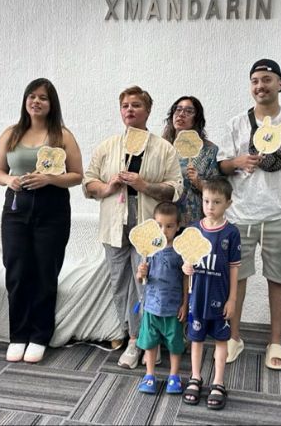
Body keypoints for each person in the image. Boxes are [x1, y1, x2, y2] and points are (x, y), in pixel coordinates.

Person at [217, 59, 281, 369]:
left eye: (267, 79)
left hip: (280, 214)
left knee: (278, 279)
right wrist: (238, 161)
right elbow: (221, 165)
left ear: (280, 84)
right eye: (255, 80)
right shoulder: (236, 124)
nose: (261, 85)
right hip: (240, 214)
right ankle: (234, 336)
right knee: (236, 278)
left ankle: (275, 341)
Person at [83, 86, 183, 369]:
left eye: (136, 105)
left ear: (148, 111)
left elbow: (176, 189)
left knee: (148, 284)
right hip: (113, 226)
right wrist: (107, 187)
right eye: (125, 105)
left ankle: (149, 340)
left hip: (149, 229)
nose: (130, 110)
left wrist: (145, 185)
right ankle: (132, 338)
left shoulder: (164, 148)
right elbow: (88, 183)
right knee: (119, 285)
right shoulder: (107, 146)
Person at [0, 78, 83, 364]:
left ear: (51, 103)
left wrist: (49, 179)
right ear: (25, 101)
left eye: (43, 97)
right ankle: (18, 335)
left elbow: (77, 175)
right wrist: (9, 180)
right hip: (16, 210)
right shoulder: (11, 133)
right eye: (32, 96)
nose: (36, 101)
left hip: (52, 211)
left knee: (45, 273)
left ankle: (40, 336)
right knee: (17, 272)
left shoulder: (62, 135)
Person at [182, 177, 240, 410]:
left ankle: (218, 382)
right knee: (196, 339)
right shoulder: (194, 230)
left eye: (216, 202)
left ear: (228, 203)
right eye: (206, 201)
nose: (210, 206)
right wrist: (185, 267)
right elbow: (187, 261)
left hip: (220, 298)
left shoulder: (231, 233)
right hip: (198, 298)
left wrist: (232, 299)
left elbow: (234, 269)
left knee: (220, 340)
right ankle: (195, 377)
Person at [135, 202, 187, 395]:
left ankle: (174, 376)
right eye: (159, 226)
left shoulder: (180, 251)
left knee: (175, 344)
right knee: (150, 343)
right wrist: (141, 273)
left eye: (169, 226)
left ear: (178, 226)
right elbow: (141, 278)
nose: (163, 231)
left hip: (173, 308)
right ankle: (149, 375)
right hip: (151, 307)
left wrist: (185, 304)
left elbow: (186, 279)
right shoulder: (149, 249)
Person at [162, 96, 219, 226]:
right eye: (178, 109)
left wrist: (199, 183)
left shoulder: (209, 150)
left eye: (188, 111)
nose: (181, 114)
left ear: (197, 119)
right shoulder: (162, 147)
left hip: (194, 219)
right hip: (165, 219)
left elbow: (218, 191)